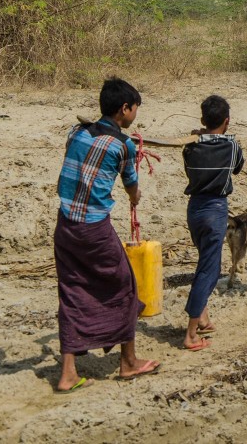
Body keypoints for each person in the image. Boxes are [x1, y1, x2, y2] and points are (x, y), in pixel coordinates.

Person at [53, 77, 160, 392]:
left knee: (72, 291)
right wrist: (135, 193)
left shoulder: (77, 132)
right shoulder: (123, 146)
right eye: (135, 109)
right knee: (125, 288)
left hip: (65, 225)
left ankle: (68, 373)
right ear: (124, 109)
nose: (135, 115)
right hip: (94, 229)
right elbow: (131, 188)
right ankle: (129, 362)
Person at [181, 95, 245, 351]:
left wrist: (198, 136)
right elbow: (238, 168)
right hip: (215, 209)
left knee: (203, 261)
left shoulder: (190, 148)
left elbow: (189, 168)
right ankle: (191, 333)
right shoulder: (231, 147)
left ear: (202, 120)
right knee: (211, 269)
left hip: (194, 209)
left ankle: (203, 317)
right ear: (227, 121)